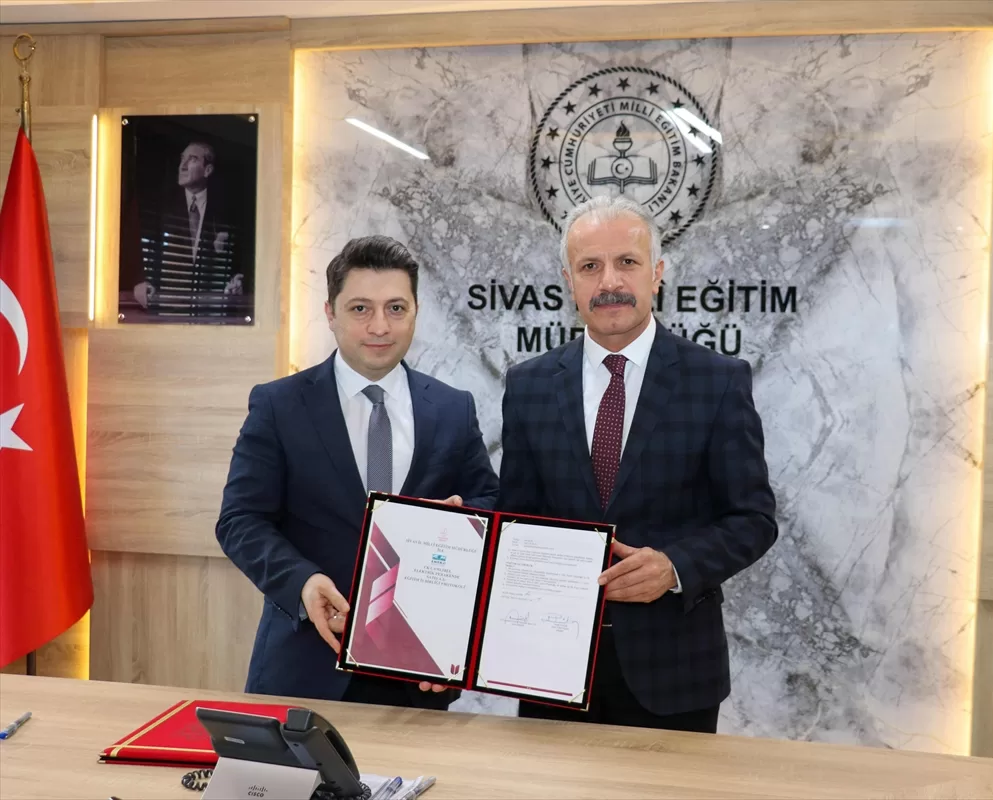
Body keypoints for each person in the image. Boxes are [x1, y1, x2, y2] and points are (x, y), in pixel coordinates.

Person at [497, 195, 778, 733]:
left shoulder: (717, 381)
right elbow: (518, 518)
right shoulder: (528, 385)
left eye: (626, 262)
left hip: (674, 675)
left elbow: (753, 519)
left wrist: (674, 567)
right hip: (550, 669)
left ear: (657, 273)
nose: (609, 282)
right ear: (569, 282)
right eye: (590, 266)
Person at [216, 235, 498, 710]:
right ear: (331, 313)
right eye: (360, 309)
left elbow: (487, 503)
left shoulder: (453, 408)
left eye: (396, 308)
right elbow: (240, 520)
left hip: (417, 673)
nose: (380, 326)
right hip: (305, 666)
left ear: (416, 311)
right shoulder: (279, 405)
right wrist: (303, 582)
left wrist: (462, 520)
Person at [127, 140, 244, 316]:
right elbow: (141, 249)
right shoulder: (162, 207)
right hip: (167, 310)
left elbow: (235, 263)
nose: (182, 166)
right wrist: (141, 282)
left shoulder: (225, 213)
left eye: (192, 159)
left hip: (208, 314)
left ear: (207, 170)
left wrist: (236, 281)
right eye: (182, 159)